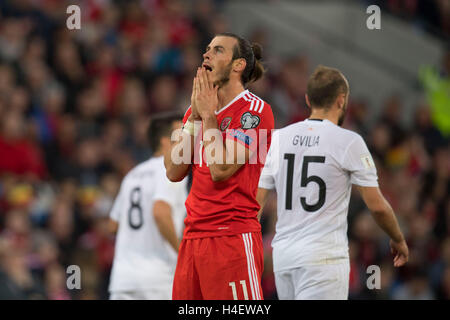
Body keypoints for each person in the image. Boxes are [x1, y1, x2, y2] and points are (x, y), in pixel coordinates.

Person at [256, 65, 409, 300]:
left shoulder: (279, 138)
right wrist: (398, 238)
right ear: (341, 100)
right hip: (322, 258)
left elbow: (258, 200)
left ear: (308, 99)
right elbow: (377, 206)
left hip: (284, 256)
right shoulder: (349, 141)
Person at [165, 32, 274, 300]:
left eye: (217, 50)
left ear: (238, 65)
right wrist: (195, 117)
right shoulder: (197, 110)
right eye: (207, 49)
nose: (206, 54)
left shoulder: (255, 111)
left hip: (231, 238)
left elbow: (221, 169)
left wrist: (209, 117)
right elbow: (172, 170)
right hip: (192, 239)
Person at [107, 113, 188, 300]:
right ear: (165, 142)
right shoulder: (172, 171)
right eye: (180, 135)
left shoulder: (133, 175)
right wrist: (182, 252)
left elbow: (113, 225)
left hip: (123, 279)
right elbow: (160, 212)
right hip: (157, 279)